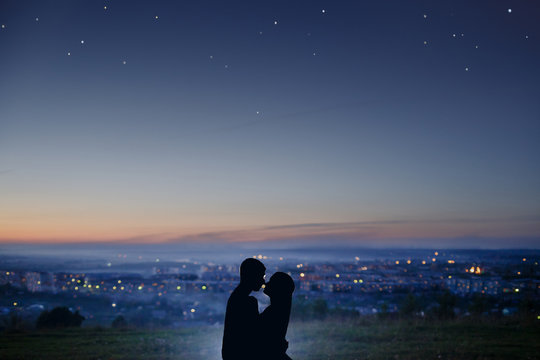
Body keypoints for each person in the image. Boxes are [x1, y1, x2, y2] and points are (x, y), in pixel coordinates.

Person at [222, 258, 266, 360]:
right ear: (252, 276)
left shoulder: (236, 297)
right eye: (262, 276)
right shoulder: (248, 302)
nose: (263, 281)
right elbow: (255, 334)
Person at [260, 272, 295, 360]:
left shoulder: (271, 312)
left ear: (278, 289)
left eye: (271, 282)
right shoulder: (279, 310)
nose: (266, 284)